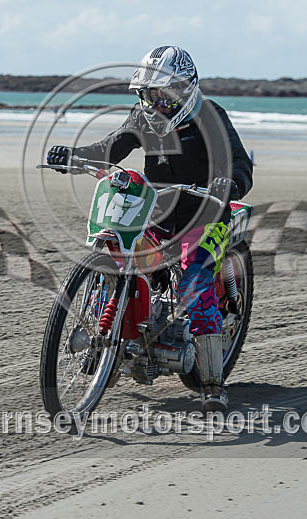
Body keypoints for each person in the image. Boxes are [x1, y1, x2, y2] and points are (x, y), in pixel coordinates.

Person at [46, 46, 253, 413]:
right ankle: (112, 335)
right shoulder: (143, 118)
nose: (153, 103)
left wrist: (230, 184)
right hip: (155, 214)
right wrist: (75, 156)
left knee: (194, 284)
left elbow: (240, 163)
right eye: (147, 94)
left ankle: (211, 384)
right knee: (122, 258)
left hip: (204, 216)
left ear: (184, 90)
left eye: (161, 94)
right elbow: (111, 148)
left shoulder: (211, 117)